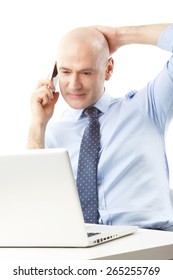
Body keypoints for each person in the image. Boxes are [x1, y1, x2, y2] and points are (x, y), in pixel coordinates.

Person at [27, 23, 173, 231]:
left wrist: (119, 35)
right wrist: (37, 124)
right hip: (81, 250)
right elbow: (30, 206)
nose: (74, 84)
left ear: (108, 68)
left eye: (86, 73)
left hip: (149, 241)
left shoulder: (147, 108)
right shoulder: (50, 135)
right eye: (66, 72)